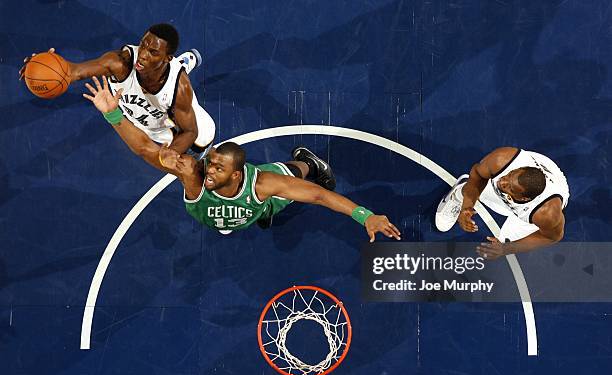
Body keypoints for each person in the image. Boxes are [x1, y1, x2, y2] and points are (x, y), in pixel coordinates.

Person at [83, 75, 401, 242]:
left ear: (237, 175)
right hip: (223, 215)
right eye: (212, 161)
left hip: (262, 201)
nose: (209, 169)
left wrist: (364, 216)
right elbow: (145, 149)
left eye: (218, 167)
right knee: (230, 223)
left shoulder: (262, 183)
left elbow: (318, 195)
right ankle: (242, 219)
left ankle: (310, 163)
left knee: (296, 174)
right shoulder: (193, 173)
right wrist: (112, 114)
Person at [19, 23, 214, 170]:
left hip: (176, 127)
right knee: (152, 71)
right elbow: (74, 72)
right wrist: (46, 66)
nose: (143, 54)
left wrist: (170, 153)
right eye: (143, 45)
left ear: (167, 57)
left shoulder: (179, 89)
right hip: (142, 120)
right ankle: (184, 61)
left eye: (153, 51)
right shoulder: (120, 63)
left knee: (201, 148)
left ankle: (183, 63)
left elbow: (189, 131)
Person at [435, 147, 569, 259]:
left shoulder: (545, 214)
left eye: (510, 188)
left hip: (534, 208)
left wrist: (506, 249)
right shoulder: (503, 161)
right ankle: (458, 194)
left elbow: (552, 237)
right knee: (473, 189)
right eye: (510, 175)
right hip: (539, 170)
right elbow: (478, 174)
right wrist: (466, 207)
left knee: (504, 243)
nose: (502, 182)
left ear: (523, 199)